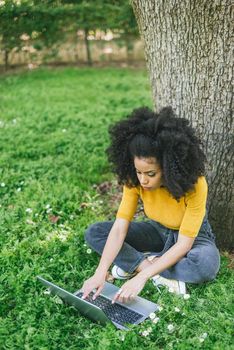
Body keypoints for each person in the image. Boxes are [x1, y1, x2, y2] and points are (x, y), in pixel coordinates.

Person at [81, 106, 220, 304]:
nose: (143, 180)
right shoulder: (134, 180)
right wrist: (100, 272)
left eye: (151, 174)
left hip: (193, 237)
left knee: (205, 266)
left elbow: (184, 244)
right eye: (139, 172)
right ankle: (155, 268)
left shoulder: (195, 184)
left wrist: (141, 277)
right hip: (157, 230)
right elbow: (120, 228)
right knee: (96, 232)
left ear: (168, 167)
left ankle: (138, 264)